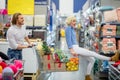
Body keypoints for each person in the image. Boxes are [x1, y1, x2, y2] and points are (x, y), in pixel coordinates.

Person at [65, 16, 120, 80]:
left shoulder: (72, 29)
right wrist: (72, 50)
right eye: (73, 21)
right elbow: (68, 40)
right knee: (94, 54)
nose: (75, 22)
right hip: (74, 48)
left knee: (92, 60)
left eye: (75, 21)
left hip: (76, 48)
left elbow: (74, 41)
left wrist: (81, 49)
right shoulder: (68, 28)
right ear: (69, 22)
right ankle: (111, 58)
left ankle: (87, 77)